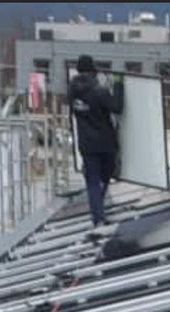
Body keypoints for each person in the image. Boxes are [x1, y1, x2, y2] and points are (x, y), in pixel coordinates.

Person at [69, 54, 124, 233]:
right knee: (104, 176)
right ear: (93, 72)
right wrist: (118, 84)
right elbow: (117, 106)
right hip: (105, 143)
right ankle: (98, 212)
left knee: (93, 181)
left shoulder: (72, 92)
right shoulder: (98, 91)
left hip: (86, 144)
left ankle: (98, 216)